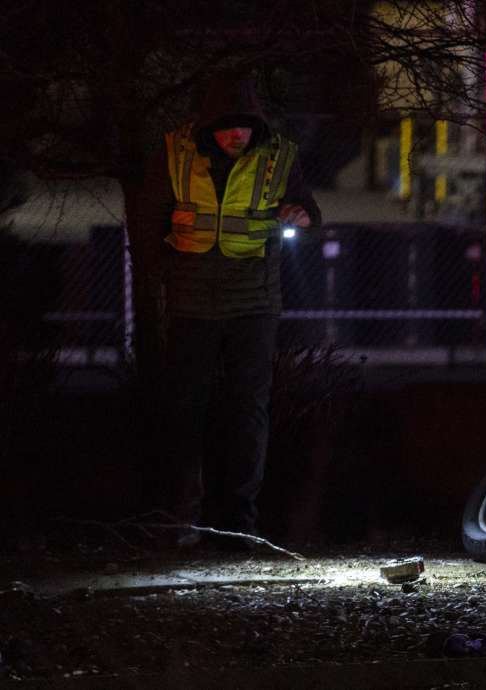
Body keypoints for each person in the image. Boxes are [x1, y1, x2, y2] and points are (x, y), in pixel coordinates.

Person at [133, 72, 321, 548]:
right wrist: (164, 277)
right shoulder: (175, 153)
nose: (237, 135)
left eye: (244, 127)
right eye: (227, 127)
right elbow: (148, 219)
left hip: (253, 303)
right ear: (209, 125)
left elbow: (306, 206)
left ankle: (239, 525)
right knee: (184, 411)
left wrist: (302, 214)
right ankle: (182, 518)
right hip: (191, 302)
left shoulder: (279, 156)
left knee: (247, 413)